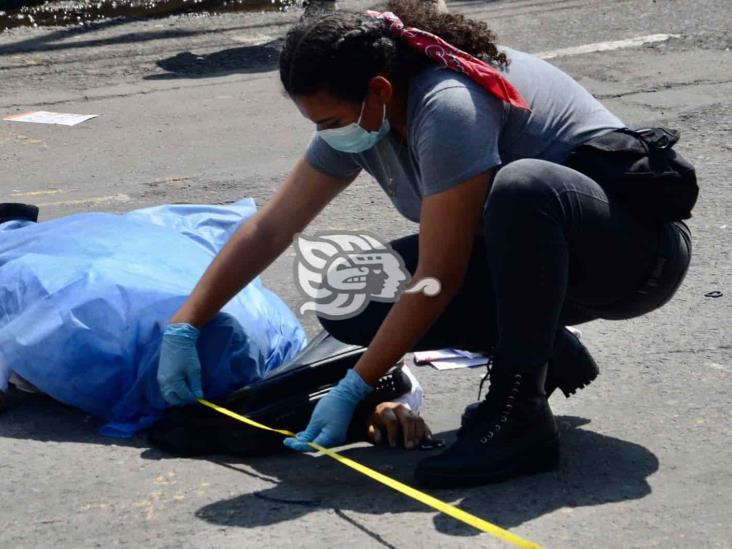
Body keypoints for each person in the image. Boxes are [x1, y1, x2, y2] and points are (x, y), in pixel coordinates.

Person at [156, 0, 692, 487]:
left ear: (380, 91)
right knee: (349, 291)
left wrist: (355, 386)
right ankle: (541, 344)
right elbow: (271, 228)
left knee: (524, 186)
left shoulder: (448, 105)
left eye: (330, 121)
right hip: (541, 268)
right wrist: (186, 324)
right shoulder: (362, 119)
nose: (326, 133)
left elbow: (439, 275)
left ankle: (520, 416)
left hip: (633, 261)